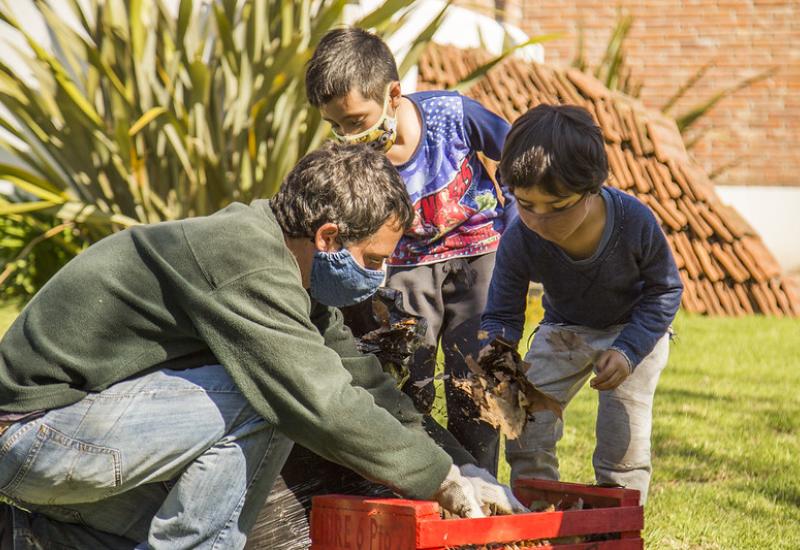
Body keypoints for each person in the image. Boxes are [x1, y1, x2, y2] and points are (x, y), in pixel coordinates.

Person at [0, 143, 525, 550]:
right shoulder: (246, 263)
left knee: (167, 527)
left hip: (71, 446)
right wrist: (438, 480)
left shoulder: (287, 270)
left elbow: (365, 383)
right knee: (275, 396)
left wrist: (463, 467)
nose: (380, 276)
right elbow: (324, 403)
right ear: (327, 237)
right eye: (372, 260)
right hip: (34, 437)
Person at [305, 28, 514, 475]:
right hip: (405, 269)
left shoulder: (452, 114)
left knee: (477, 381)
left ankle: (482, 488)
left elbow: (518, 155)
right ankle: (419, 482)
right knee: (406, 378)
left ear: (393, 94)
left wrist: (517, 226)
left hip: (481, 258)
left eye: (356, 120)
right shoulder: (354, 162)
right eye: (336, 127)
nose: (347, 135)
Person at [480, 104, 683, 504]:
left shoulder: (634, 222)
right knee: (525, 425)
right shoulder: (520, 237)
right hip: (564, 329)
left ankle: (617, 525)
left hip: (633, 331)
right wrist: (497, 360)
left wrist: (627, 351)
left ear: (591, 189)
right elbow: (502, 313)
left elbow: (665, 291)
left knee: (621, 440)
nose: (539, 220)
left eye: (556, 207)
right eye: (526, 204)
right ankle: (537, 511)